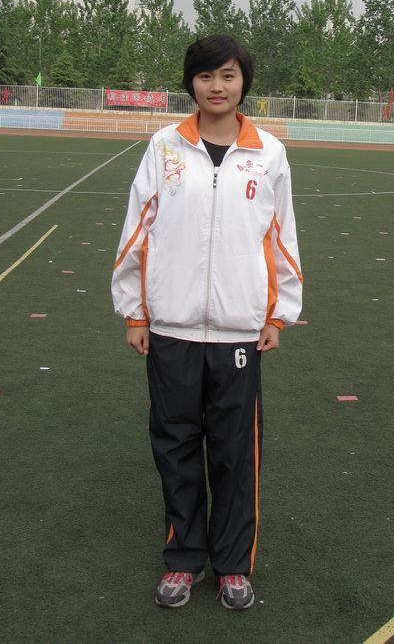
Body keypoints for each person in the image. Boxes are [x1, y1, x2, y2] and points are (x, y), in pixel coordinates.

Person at [111, 34, 303, 610]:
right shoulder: (164, 147)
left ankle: (233, 565)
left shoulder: (268, 153)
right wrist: (135, 311)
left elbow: (282, 237)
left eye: (227, 75)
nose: (216, 87)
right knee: (174, 448)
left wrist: (278, 314)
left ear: (244, 82)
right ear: (190, 82)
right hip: (170, 328)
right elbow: (138, 228)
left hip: (239, 332)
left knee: (235, 455)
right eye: (205, 76)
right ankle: (184, 557)